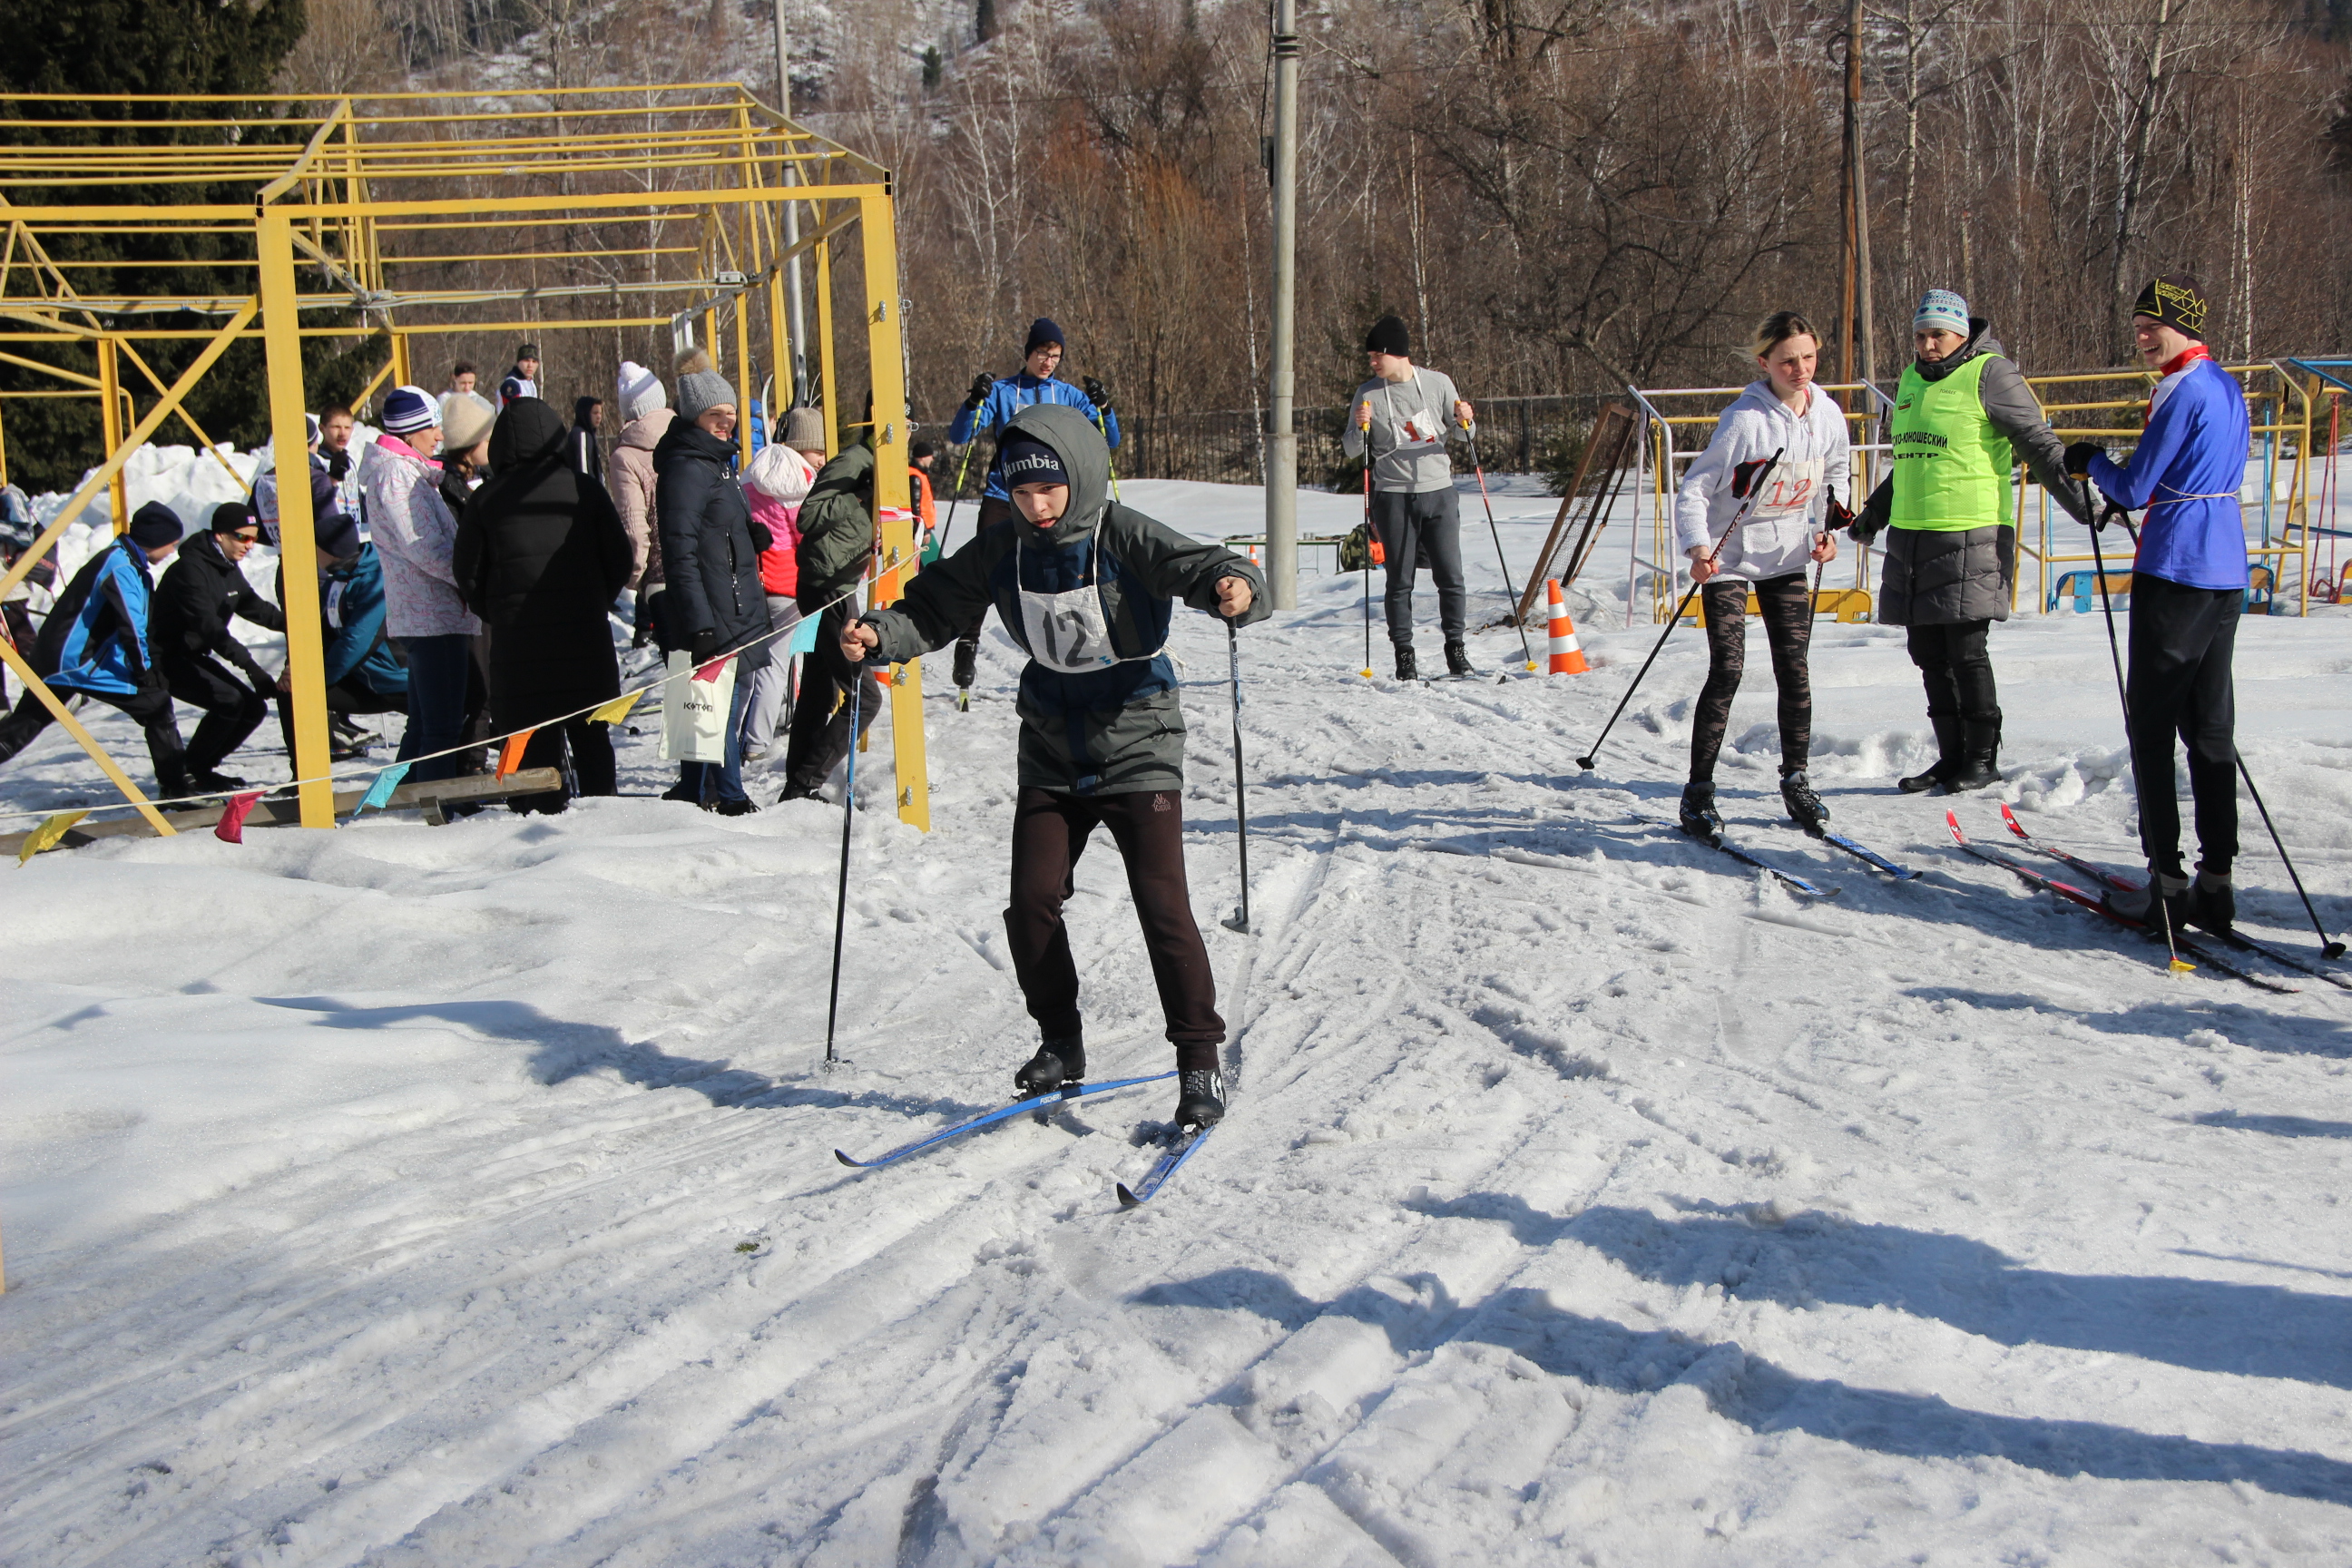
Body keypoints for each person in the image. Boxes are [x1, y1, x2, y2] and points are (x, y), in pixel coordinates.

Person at [847, 406, 1267, 1129]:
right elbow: (936, 606)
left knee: (1162, 906)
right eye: (1021, 492)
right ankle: (1061, 1044)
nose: (1036, 507)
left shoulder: (1119, 529)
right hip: (1050, 742)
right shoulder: (1002, 545)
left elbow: (1195, 566)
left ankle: (1199, 1061)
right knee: (1031, 903)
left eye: (1049, 489)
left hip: (1137, 737)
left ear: (1077, 476)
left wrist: (1235, 587)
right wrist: (880, 632)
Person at [2065, 275, 2249, 934]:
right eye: (2140, 326)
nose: (2144, 337)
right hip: (2225, 563)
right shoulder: (2226, 384)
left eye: (2155, 326)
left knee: (2150, 726)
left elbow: (2139, 485)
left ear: (2187, 326)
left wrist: (2090, 461)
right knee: (2209, 728)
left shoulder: (2182, 387)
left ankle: (2166, 884)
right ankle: (2216, 883)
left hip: (2177, 567)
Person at [1852, 289, 2087, 792]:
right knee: (1927, 651)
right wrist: (1875, 513)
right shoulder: (1913, 379)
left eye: (1938, 334)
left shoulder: (1992, 374)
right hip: (1913, 535)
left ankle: (1982, 758)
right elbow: (1911, 459)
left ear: (1962, 334)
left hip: (1970, 531)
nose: (1928, 345)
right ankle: (1950, 756)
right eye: (1920, 335)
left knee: (1965, 648)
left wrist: (2084, 503)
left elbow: (2038, 444)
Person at [1671, 311, 1850, 839]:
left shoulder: (1828, 415)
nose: (1800, 369)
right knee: (1728, 669)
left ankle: (1796, 779)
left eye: (1809, 358)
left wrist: (1828, 529)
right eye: (1788, 360)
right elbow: (1696, 488)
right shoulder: (1745, 420)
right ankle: (1698, 792)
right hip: (1730, 557)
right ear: (1765, 363)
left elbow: (1836, 474)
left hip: (1789, 555)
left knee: (1794, 668)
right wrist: (1698, 548)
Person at [455, 398, 635, 813]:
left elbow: (467, 575)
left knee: (532, 754)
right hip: (584, 644)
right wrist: (593, 600)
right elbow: (619, 559)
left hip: (520, 653)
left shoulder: (485, 501)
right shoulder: (585, 490)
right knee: (593, 745)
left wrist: (500, 611)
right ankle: (604, 824)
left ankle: (540, 839)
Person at [943, 318, 1121, 696]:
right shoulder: (1005, 391)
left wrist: (1104, 406)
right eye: (1043, 353)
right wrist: (974, 399)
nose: (1048, 362)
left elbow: (1110, 439)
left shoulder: (1068, 395)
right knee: (988, 567)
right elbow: (960, 435)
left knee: (1063, 569)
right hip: (1005, 495)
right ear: (1029, 353)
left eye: (1055, 356)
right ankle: (968, 641)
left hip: (1056, 499)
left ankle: (1077, 642)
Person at [0, 502, 190, 797]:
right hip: (74, 665)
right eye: (171, 544)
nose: (172, 551)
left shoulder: (120, 559)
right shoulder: (122, 566)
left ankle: (175, 787)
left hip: (59, 661)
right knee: (157, 705)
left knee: (23, 726)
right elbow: (132, 626)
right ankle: (176, 790)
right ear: (155, 540)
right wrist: (145, 673)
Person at [654, 360, 771, 814]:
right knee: (717, 703)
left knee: (712, 700)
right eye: (714, 415)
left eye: (730, 413)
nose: (726, 422)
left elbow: (715, 529)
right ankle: (730, 795)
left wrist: (748, 537)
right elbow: (680, 552)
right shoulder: (688, 468)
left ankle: (695, 788)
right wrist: (700, 623)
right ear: (693, 419)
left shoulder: (716, 461)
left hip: (733, 597)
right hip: (714, 606)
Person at [1341, 315, 1479, 680]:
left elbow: (1465, 435)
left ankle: (1456, 649)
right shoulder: (1368, 394)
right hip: (1394, 497)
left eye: (1376, 356)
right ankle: (1405, 656)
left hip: (1440, 493)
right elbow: (1352, 450)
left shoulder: (1438, 383)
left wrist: (1467, 419)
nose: (1372, 363)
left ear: (1395, 353)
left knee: (1451, 576)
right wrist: (1359, 425)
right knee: (1399, 580)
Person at [359, 384, 480, 782]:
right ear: (410, 433)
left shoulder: (405, 471)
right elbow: (425, 547)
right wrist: (470, 580)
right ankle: (434, 807)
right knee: (443, 725)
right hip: (431, 614)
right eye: (432, 427)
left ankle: (392, 800)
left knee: (426, 722)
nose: (440, 436)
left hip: (429, 612)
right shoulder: (397, 475)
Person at [779, 424, 881, 803]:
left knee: (820, 691)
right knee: (865, 697)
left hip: (836, 582)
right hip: (827, 586)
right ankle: (804, 783)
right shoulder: (856, 461)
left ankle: (797, 784)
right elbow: (809, 516)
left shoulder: (881, 463)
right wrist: (860, 497)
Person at [152, 503, 283, 790]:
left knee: (252, 709)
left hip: (193, 655)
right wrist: (253, 669)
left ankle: (201, 768)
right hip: (165, 659)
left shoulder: (226, 566)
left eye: (254, 538)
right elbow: (210, 629)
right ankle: (188, 771)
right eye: (243, 537)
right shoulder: (190, 571)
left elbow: (252, 605)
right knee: (230, 701)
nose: (249, 545)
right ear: (221, 534)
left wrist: (297, 625)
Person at [279, 509, 407, 763]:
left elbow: (357, 642)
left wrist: (317, 678)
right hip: (366, 682)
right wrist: (297, 669)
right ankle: (304, 777)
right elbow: (322, 632)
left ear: (328, 549)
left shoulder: (376, 577)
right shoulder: (337, 579)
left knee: (463, 724)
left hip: (398, 682)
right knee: (290, 691)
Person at [738, 438, 815, 765]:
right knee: (776, 666)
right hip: (789, 588)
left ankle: (735, 733)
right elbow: (805, 538)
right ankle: (757, 741)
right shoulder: (798, 491)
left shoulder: (745, 488)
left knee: (746, 668)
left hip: (753, 584)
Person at [612, 361, 673, 648]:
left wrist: (634, 578)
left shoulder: (626, 456)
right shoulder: (688, 437)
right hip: (705, 569)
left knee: (680, 678)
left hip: (661, 575)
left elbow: (635, 529)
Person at [318, 406, 363, 534]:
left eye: (347, 428)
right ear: (322, 428)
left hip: (353, 535)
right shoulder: (317, 461)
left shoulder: (350, 461)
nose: (342, 433)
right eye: (336, 427)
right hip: (330, 537)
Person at [570, 396, 604, 485]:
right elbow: (583, 469)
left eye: (600, 413)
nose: (599, 417)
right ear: (585, 413)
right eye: (595, 413)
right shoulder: (581, 435)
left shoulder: (588, 435)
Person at [498, 343, 541, 407]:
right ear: (519, 362)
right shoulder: (511, 384)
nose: (530, 365)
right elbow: (515, 413)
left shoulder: (530, 382)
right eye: (526, 360)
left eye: (534, 361)